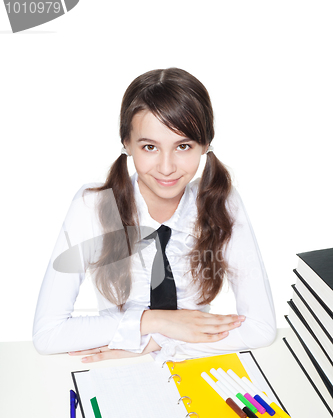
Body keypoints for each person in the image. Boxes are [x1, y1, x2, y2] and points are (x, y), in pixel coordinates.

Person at [32, 68, 276, 363]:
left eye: (183, 146)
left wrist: (153, 345)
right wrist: (155, 322)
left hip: (175, 360)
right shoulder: (94, 206)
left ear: (205, 145)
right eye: (149, 147)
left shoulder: (222, 201)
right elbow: (48, 334)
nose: (166, 167)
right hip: (121, 370)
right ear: (126, 143)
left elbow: (261, 328)